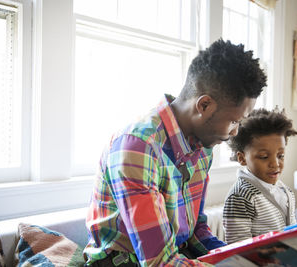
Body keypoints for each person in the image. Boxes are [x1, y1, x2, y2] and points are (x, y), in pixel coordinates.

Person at [83, 39, 267, 267]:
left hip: (176, 255)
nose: (234, 132)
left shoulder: (203, 147)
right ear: (204, 105)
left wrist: (239, 259)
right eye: (233, 121)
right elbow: (160, 263)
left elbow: (195, 230)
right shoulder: (138, 147)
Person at [223, 108, 297, 245]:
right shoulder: (241, 197)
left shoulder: (285, 191)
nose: (275, 164)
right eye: (264, 157)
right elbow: (238, 248)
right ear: (242, 158)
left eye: (280, 156)